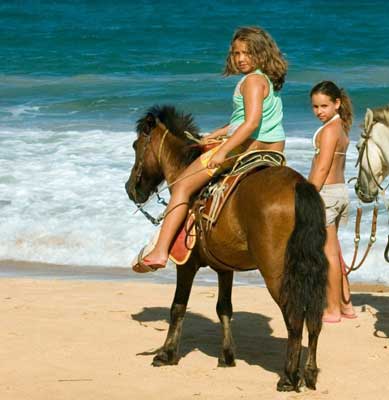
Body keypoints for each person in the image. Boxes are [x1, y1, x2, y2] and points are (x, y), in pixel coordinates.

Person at [134, 26, 287, 272]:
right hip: (274, 149)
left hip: (247, 148)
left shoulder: (251, 82)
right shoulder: (265, 80)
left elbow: (251, 123)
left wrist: (222, 151)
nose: (240, 58)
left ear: (261, 53)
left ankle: (161, 250)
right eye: (236, 53)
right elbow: (242, 118)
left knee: (183, 185)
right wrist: (216, 134)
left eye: (247, 53)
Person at [307, 81, 356, 322]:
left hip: (325, 193)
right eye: (315, 106)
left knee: (328, 254)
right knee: (334, 250)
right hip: (339, 191)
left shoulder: (328, 131)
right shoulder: (341, 128)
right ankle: (347, 306)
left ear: (337, 104)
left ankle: (333, 309)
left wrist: (308, 195)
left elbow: (323, 166)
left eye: (324, 106)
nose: (319, 111)